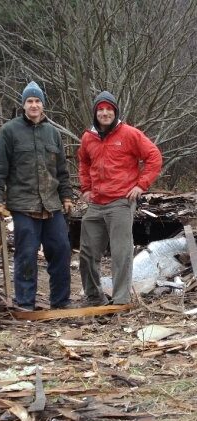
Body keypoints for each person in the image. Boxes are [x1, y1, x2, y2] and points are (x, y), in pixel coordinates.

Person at [0, 81, 74, 311]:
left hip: (52, 205)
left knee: (62, 251)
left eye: (37, 101)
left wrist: (66, 197)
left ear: (43, 105)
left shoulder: (52, 133)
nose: (34, 105)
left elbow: (62, 171)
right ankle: (25, 303)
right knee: (26, 255)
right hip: (23, 205)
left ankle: (61, 301)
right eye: (29, 101)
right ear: (23, 105)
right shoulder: (9, 131)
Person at [78, 90, 162, 306]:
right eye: (100, 109)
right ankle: (95, 298)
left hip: (121, 203)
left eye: (109, 109)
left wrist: (141, 185)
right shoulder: (88, 137)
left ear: (115, 111)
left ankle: (120, 301)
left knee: (120, 254)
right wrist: (86, 187)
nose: (104, 113)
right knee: (87, 254)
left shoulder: (129, 134)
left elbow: (153, 157)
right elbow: (84, 162)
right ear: (95, 112)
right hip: (96, 203)